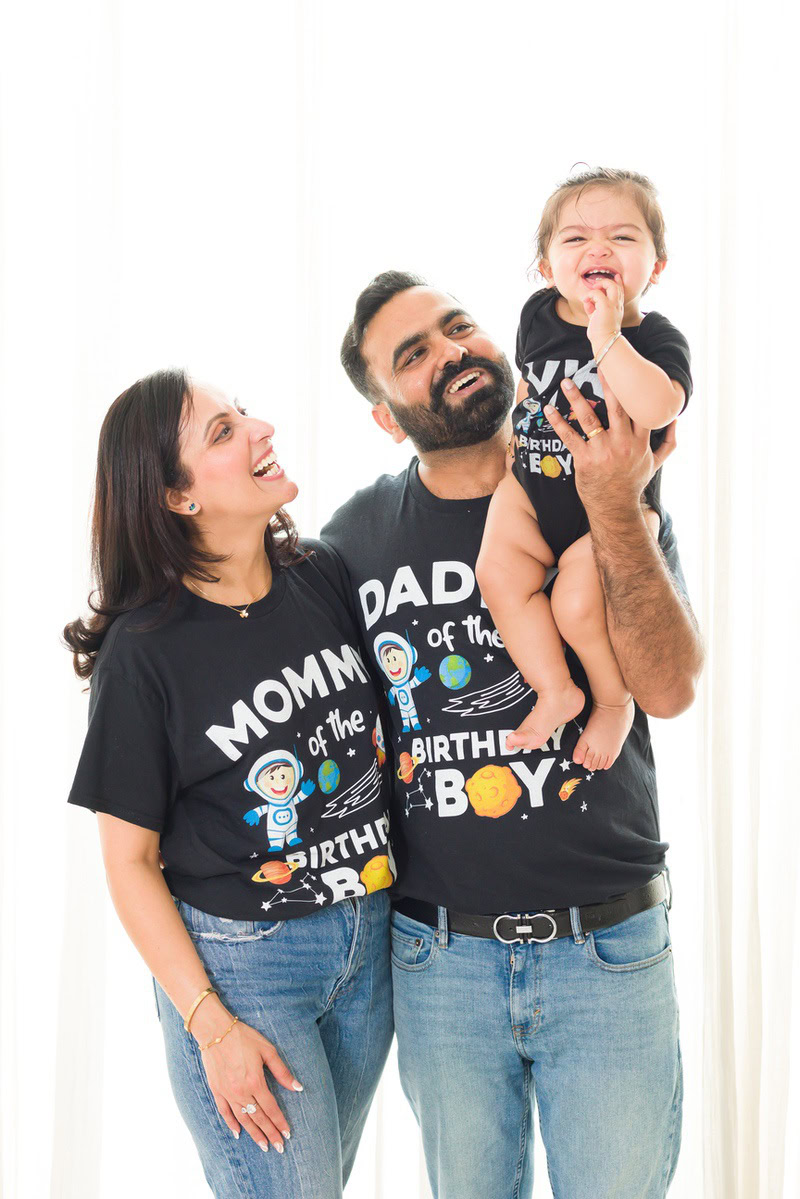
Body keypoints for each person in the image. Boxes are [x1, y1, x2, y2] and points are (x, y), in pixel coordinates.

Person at [322, 272, 704, 1199]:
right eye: (412, 354)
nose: (451, 351)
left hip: (608, 948)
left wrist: (616, 501)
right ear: (384, 413)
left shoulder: (599, 479)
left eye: (458, 327)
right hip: (440, 960)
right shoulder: (355, 540)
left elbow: (672, 686)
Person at [64, 369, 394, 1198]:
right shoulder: (145, 651)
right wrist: (210, 1027)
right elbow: (129, 862)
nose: (259, 429)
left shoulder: (320, 576)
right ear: (177, 498)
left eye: (241, 412)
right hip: (247, 971)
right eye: (222, 432)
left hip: (370, 940)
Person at [477, 168, 692, 771]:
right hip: (533, 485)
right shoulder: (537, 314)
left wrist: (607, 336)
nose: (597, 248)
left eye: (622, 238)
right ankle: (555, 688)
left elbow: (658, 406)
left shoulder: (655, 337)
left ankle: (612, 698)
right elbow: (531, 380)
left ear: (658, 265)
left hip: (615, 508)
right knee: (495, 571)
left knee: (575, 606)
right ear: (546, 267)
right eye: (575, 239)